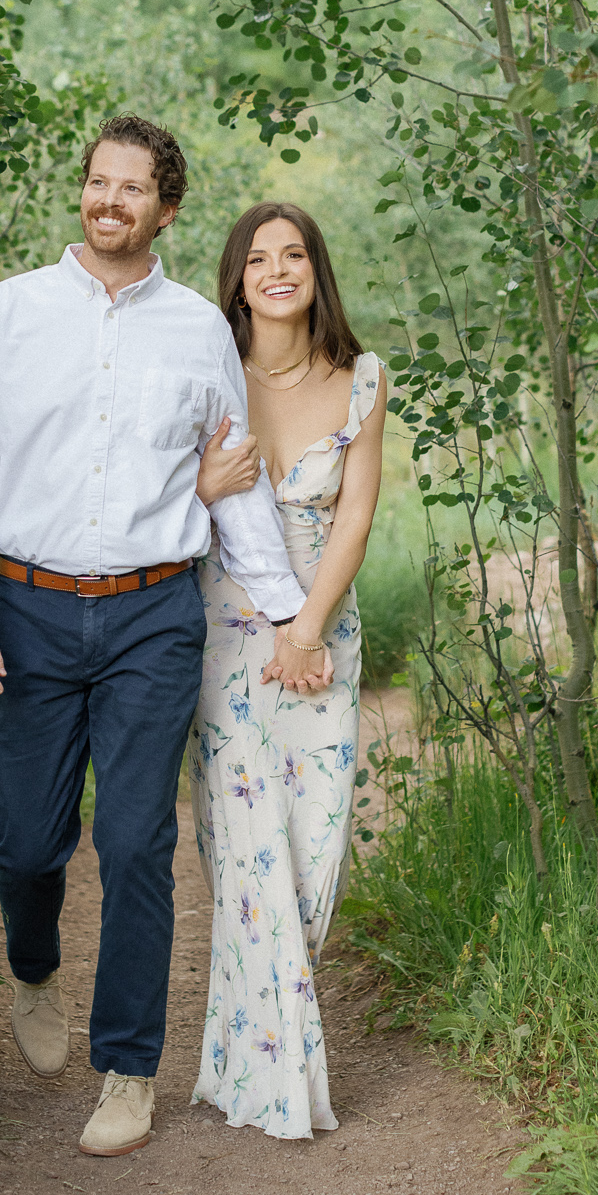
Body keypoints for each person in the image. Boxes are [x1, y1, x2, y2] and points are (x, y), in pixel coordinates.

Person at [0, 117, 310, 1157]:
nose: (110, 200)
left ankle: (129, 1068)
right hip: (26, 608)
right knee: (25, 839)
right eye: (97, 182)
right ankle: (33, 964)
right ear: (83, 193)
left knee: (139, 838)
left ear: (165, 208)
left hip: (153, 613)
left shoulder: (195, 330)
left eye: (132, 188)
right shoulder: (5, 314)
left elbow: (231, 487)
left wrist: (288, 617)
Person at [188, 201, 387, 1138]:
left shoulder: (363, 380)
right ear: (237, 278)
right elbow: (155, 502)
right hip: (226, 637)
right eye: (259, 257)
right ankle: (271, 1078)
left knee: (311, 846)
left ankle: (258, 1044)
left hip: (322, 637)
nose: (278, 269)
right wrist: (199, 488)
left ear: (315, 270)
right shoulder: (203, 375)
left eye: (294, 253)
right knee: (245, 844)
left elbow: (353, 516)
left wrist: (307, 630)